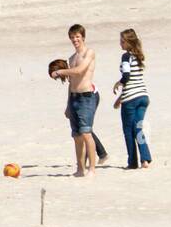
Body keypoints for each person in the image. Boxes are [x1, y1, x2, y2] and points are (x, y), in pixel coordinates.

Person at [49, 24, 108, 166]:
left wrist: (60, 72)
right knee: (77, 136)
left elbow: (80, 71)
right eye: (72, 37)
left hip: (87, 96)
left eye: (77, 36)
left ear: (83, 37)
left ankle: (93, 167)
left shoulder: (89, 53)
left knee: (87, 132)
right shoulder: (71, 58)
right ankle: (80, 169)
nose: (75, 39)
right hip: (74, 97)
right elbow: (71, 83)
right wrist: (68, 106)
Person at [114, 28, 152, 170]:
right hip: (143, 96)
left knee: (128, 130)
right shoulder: (139, 56)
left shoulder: (126, 57)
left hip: (131, 99)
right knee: (138, 127)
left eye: (122, 41)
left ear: (128, 42)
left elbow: (127, 77)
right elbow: (135, 80)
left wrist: (118, 83)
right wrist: (119, 99)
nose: (120, 44)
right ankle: (145, 158)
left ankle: (132, 162)